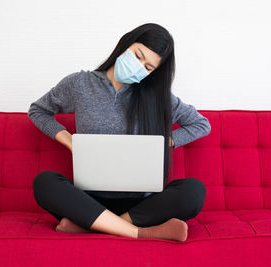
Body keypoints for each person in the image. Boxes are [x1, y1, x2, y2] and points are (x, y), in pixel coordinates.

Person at [28, 23, 211, 242]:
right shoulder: (80, 84)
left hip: (140, 204)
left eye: (148, 67)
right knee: (45, 182)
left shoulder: (157, 97)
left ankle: (97, 226)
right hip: (88, 200)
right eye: (138, 55)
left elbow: (201, 125)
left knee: (193, 191)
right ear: (126, 45)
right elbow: (38, 110)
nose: (139, 66)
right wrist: (68, 139)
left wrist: (165, 142)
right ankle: (137, 232)